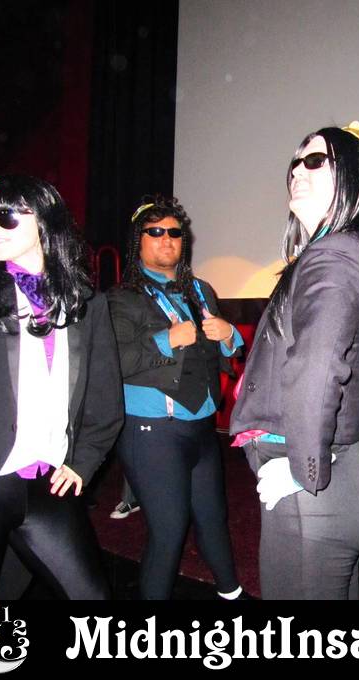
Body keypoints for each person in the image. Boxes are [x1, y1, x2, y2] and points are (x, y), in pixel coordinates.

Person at [0, 175, 122, 599]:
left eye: (6, 216)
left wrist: (83, 462)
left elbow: (105, 402)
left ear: (45, 218)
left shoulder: (86, 303)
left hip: (45, 484)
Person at [230, 121, 359, 599]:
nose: (297, 171)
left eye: (316, 160)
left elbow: (318, 367)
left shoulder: (334, 253)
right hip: (334, 483)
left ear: (355, 177)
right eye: (295, 162)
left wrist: (302, 467)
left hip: (312, 493)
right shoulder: (343, 251)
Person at [107, 195, 247, 600]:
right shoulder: (122, 297)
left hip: (201, 428)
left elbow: (221, 353)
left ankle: (232, 593)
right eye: (155, 232)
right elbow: (114, 360)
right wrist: (165, 340)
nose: (166, 239)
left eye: (174, 232)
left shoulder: (201, 290)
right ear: (138, 240)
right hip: (152, 432)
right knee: (168, 530)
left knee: (213, 518)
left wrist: (231, 335)